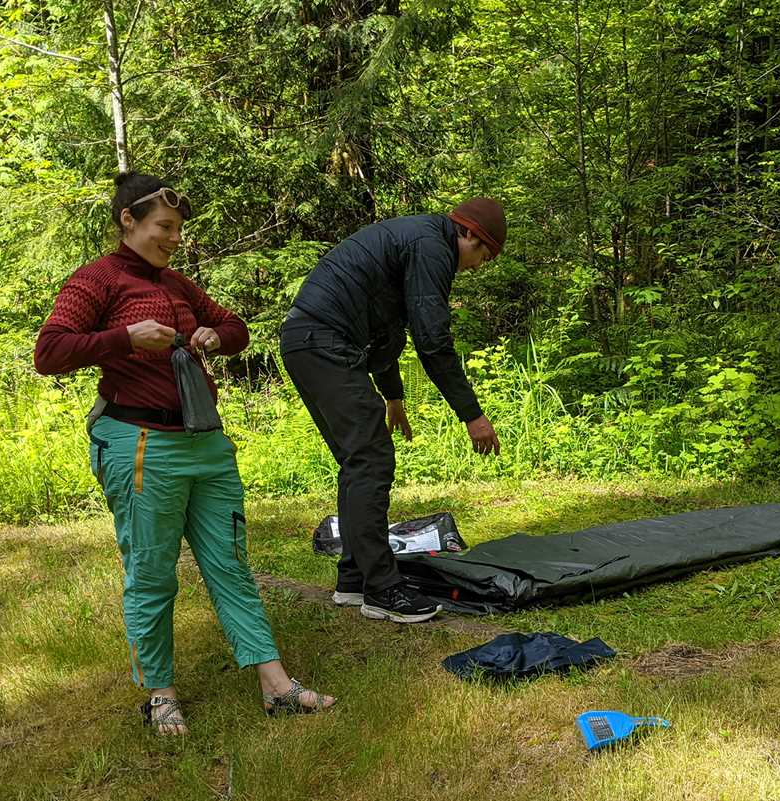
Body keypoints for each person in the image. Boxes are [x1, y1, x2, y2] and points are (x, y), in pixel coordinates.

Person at [35, 172, 334, 735]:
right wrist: (123, 340)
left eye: (177, 229)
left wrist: (215, 337)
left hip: (206, 444)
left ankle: (276, 686)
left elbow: (235, 327)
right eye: (163, 227)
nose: (174, 238)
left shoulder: (177, 284)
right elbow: (49, 352)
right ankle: (160, 693)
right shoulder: (96, 280)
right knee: (151, 574)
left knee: (231, 565)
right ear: (129, 221)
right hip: (142, 443)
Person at [279, 198, 506, 624]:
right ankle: (383, 590)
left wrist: (394, 397)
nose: (478, 266)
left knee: (358, 460)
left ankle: (354, 579)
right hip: (323, 341)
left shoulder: (420, 239)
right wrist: (472, 415)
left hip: (309, 340)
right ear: (470, 234)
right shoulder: (432, 246)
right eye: (483, 255)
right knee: (370, 458)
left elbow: (386, 331)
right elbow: (432, 341)